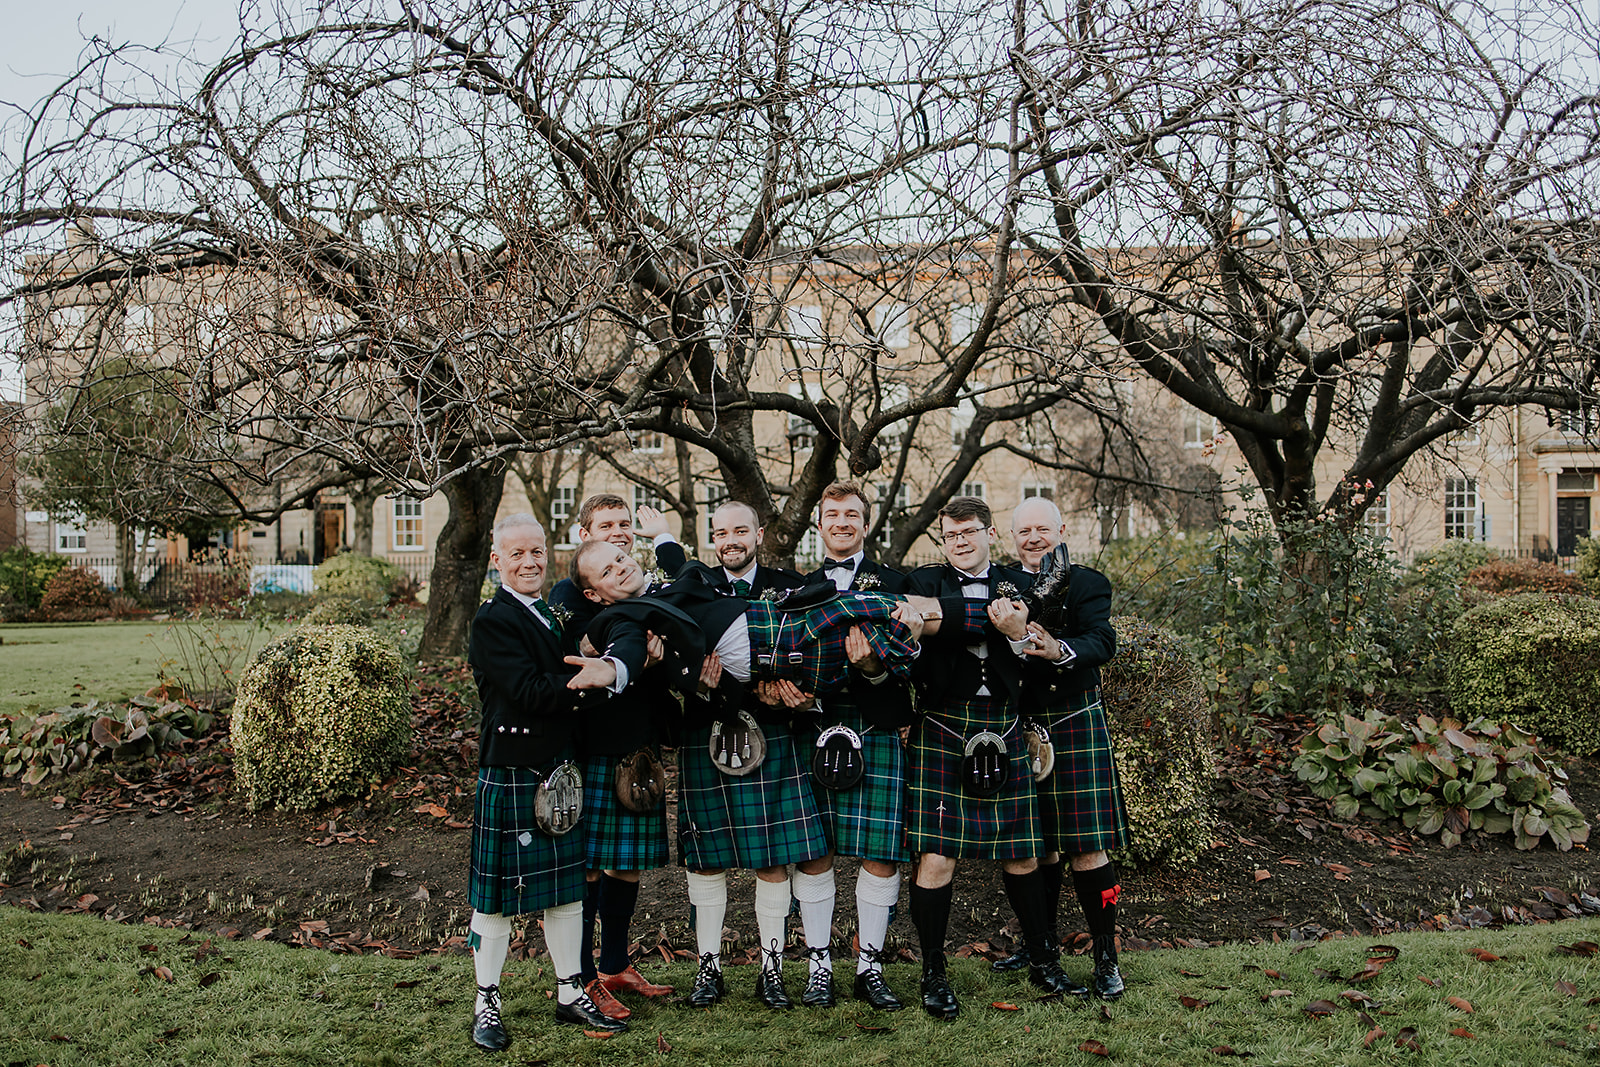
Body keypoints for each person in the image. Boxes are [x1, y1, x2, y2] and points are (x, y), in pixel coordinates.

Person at [571, 511, 926, 1011]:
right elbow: (627, 651)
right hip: (710, 725)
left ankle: (775, 969)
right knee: (707, 857)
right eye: (607, 571)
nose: (620, 568)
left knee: (775, 856)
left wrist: (665, 535)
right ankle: (709, 969)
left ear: (759, 535)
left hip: (780, 712)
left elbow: (673, 563)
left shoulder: (696, 578)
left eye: (622, 558)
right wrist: (612, 670)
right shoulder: (629, 616)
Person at [902, 496, 1084, 1021]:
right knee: (938, 857)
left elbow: (1041, 639)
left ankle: (1044, 960)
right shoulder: (926, 580)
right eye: (950, 535)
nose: (959, 542)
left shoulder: (1016, 582)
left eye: (969, 532)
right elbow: (921, 624)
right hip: (943, 724)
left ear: (989, 533)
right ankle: (933, 970)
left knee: (1023, 853)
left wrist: (1017, 629)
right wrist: (989, 622)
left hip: (1004, 724)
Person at [464, 513, 640, 1052]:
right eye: (516, 554)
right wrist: (590, 676)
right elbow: (527, 690)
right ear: (497, 561)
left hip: (559, 765)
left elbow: (572, 662)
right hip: (514, 768)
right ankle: (486, 1000)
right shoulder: (493, 619)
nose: (529, 562)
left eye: (536, 551)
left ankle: (569, 990)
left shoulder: (552, 612)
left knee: (566, 891)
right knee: (494, 900)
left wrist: (603, 662)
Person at [543, 494, 685, 1019]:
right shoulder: (570, 592)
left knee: (627, 867)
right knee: (585, 870)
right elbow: (569, 648)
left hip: (638, 744)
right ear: (584, 535)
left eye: (625, 525)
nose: (620, 533)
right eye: (607, 525)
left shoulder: (638, 583)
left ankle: (615, 965)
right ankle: (579, 980)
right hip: (590, 746)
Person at [988, 496, 1128, 999]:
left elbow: (1103, 641)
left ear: (1061, 530)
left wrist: (1059, 649)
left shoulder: (1087, 582)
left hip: (1072, 720)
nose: (1032, 538)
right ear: (1012, 537)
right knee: (1036, 845)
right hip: (1019, 725)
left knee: (1088, 846)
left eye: (1041, 529)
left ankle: (1106, 956)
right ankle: (1038, 945)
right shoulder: (999, 586)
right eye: (1022, 530)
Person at [791, 481, 915, 1011]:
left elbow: (915, 666)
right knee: (815, 851)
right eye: (832, 514)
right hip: (814, 725)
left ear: (867, 524)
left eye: (852, 515)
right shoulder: (796, 589)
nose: (841, 523)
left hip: (875, 722)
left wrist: (872, 667)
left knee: (880, 853)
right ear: (820, 524)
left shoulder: (896, 583)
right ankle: (819, 965)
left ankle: (869, 966)